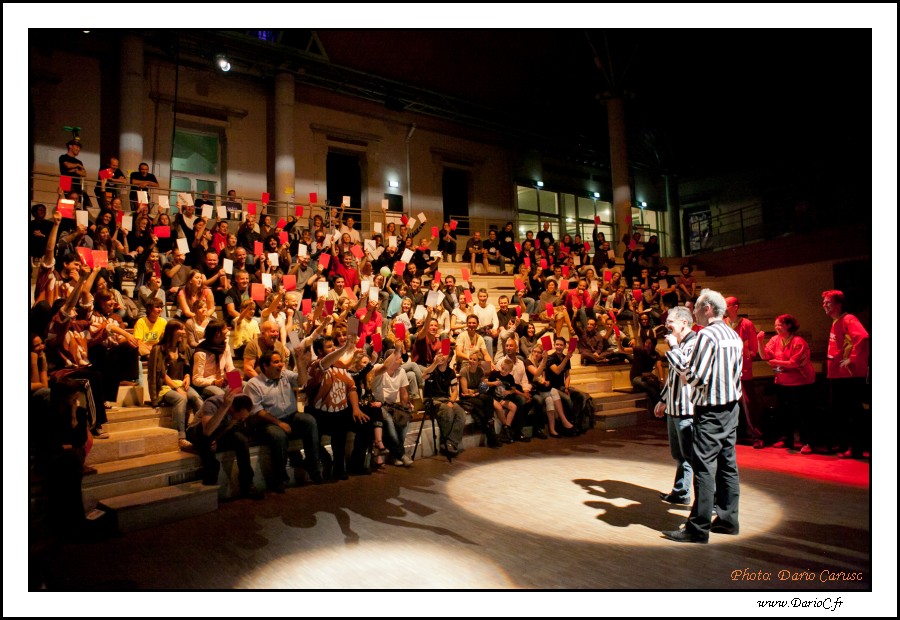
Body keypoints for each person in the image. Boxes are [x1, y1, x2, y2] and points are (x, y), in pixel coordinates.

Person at [662, 288, 743, 544]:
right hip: (732, 408)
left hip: (710, 410)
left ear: (707, 309)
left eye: (696, 307)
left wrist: (674, 351)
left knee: (704, 468)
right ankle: (728, 520)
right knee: (728, 466)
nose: (693, 311)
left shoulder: (707, 335)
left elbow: (695, 378)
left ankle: (698, 528)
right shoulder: (733, 334)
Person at [244, 350, 323, 491]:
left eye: (281, 361)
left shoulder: (285, 375)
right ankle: (280, 478)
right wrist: (279, 423)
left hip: (291, 416)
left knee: (309, 421)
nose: (281, 364)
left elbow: (302, 381)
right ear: (265, 366)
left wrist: (300, 362)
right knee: (278, 435)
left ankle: (314, 469)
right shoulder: (254, 384)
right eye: (276, 362)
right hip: (268, 422)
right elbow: (258, 411)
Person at [306, 334, 370, 481]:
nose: (334, 349)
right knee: (333, 431)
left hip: (341, 412)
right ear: (319, 351)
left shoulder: (341, 368)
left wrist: (356, 409)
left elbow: (352, 388)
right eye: (329, 347)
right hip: (320, 414)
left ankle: (355, 464)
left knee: (365, 423)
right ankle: (329, 464)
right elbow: (325, 363)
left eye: (333, 346)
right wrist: (346, 347)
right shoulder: (316, 365)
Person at [654, 306, 697, 506]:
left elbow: (684, 371)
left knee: (690, 456)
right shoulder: (679, 344)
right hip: (673, 407)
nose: (667, 325)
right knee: (679, 455)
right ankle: (681, 492)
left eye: (670, 321)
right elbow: (672, 378)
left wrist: (673, 347)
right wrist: (663, 400)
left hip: (686, 409)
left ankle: (706, 501)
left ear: (684, 322)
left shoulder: (693, 343)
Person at [187, 387, 263, 499]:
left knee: (241, 440)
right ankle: (211, 474)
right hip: (199, 432)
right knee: (206, 440)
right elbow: (207, 431)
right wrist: (224, 407)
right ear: (232, 409)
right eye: (240, 417)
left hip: (219, 432)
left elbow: (227, 428)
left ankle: (247, 484)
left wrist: (217, 439)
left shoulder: (243, 403)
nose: (242, 420)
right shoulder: (212, 403)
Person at [757, 314, 817, 453]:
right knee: (784, 412)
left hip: (801, 383)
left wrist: (775, 362)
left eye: (780, 324)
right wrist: (760, 341)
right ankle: (786, 439)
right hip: (782, 382)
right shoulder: (775, 340)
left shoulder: (798, 342)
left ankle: (808, 442)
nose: (777, 327)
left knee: (803, 414)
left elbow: (793, 363)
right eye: (776, 325)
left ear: (789, 325)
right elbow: (765, 355)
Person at [821, 290, 870, 459]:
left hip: (849, 375)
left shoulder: (848, 319)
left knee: (852, 412)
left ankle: (855, 448)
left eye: (828, 302)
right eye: (824, 302)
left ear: (839, 304)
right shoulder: (836, 322)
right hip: (838, 374)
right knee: (841, 411)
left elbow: (863, 337)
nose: (824, 305)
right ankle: (844, 444)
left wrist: (852, 359)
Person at [148, 320, 204, 449]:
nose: (183, 332)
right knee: (181, 398)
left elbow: (186, 369)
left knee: (196, 398)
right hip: (165, 386)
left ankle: (200, 431)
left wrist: (187, 377)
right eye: (180, 329)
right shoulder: (158, 349)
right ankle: (180, 436)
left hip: (181, 383)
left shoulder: (183, 348)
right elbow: (161, 374)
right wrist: (176, 387)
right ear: (171, 331)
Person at [724, 296, 763, 449]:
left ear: (735, 307)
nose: (724, 308)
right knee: (730, 405)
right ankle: (736, 435)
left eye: (727, 305)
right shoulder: (722, 323)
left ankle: (756, 436)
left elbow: (753, 350)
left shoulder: (747, 324)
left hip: (742, 371)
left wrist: (744, 350)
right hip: (726, 372)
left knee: (748, 405)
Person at [421, 350, 466, 458]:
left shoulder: (451, 372)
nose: (440, 355)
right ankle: (444, 442)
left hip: (445, 399)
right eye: (439, 353)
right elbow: (423, 376)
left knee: (460, 413)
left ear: (449, 358)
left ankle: (451, 442)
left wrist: (451, 401)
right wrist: (435, 363)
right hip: (431, 399)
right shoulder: (432, 368)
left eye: (444, 353)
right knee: (447, 411)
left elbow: (454, 391)